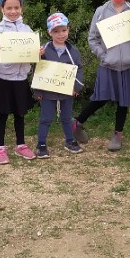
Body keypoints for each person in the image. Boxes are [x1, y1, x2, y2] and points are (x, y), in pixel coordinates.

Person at [72, 0, 130, 151]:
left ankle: (118, 135)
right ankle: (77, 123)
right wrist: (103, 56)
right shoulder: (101, 12)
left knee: (123, 101)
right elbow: (92, 38)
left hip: (127, 65)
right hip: (107, 65)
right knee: (100, 98)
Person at [0, 0, 37, 164]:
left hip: (21, 78)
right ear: (2, 9)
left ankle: (20, 145)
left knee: (20, 113)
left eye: (16, 7)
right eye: (9, 8)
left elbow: (32, 52)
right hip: (5, 79)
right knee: (2, 113)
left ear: (21, 8)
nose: (13, 11)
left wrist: (38, 52)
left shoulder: (27, 29)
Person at [35, 12, 85, 158]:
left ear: (68, 29)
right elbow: (37, 68)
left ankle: (70, 141)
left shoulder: (73, 51)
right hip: (47, 92)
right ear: (49, 32)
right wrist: (38, 91)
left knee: (67, 117)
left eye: (63, 30)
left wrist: (76, 87)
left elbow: (79, 69)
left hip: (67, 91)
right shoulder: (43, 49)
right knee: (46, 118)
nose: (60, 34)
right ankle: (41, 144)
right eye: (56, 31)